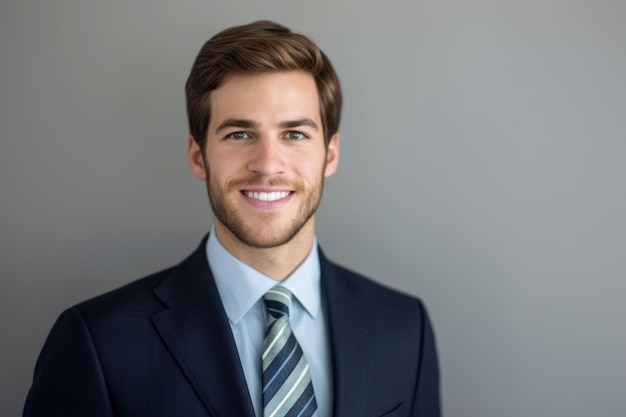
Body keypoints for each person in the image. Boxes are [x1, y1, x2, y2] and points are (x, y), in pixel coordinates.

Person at [23, 20, 440, 417]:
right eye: (239, 134)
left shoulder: (404, 328)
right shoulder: (97, 341)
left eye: (295, 134)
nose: (268, 164)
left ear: (329, 154)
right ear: (197, 155)